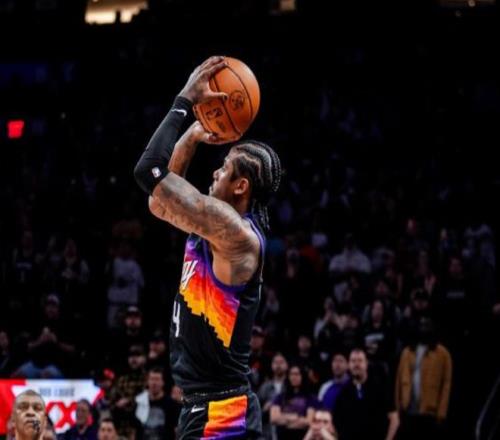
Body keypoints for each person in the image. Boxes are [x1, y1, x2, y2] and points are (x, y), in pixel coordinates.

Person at [134, 55, 281, 439]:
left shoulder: (235, 234)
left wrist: (184, 100)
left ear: (241, 186)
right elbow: (158, 202)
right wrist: (194, 133)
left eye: (225, 167)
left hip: (222, 413)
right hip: (205, 408)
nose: (215, 170)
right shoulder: (211, 228)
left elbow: (149, 171)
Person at [333, 349, 399, 440]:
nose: (356, 364)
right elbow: (336, 422)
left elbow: (394, 419)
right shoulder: (343, 393)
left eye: (360, 360)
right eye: (353, 361)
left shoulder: (380, 388)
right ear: (348, 365)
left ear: (366, 363)